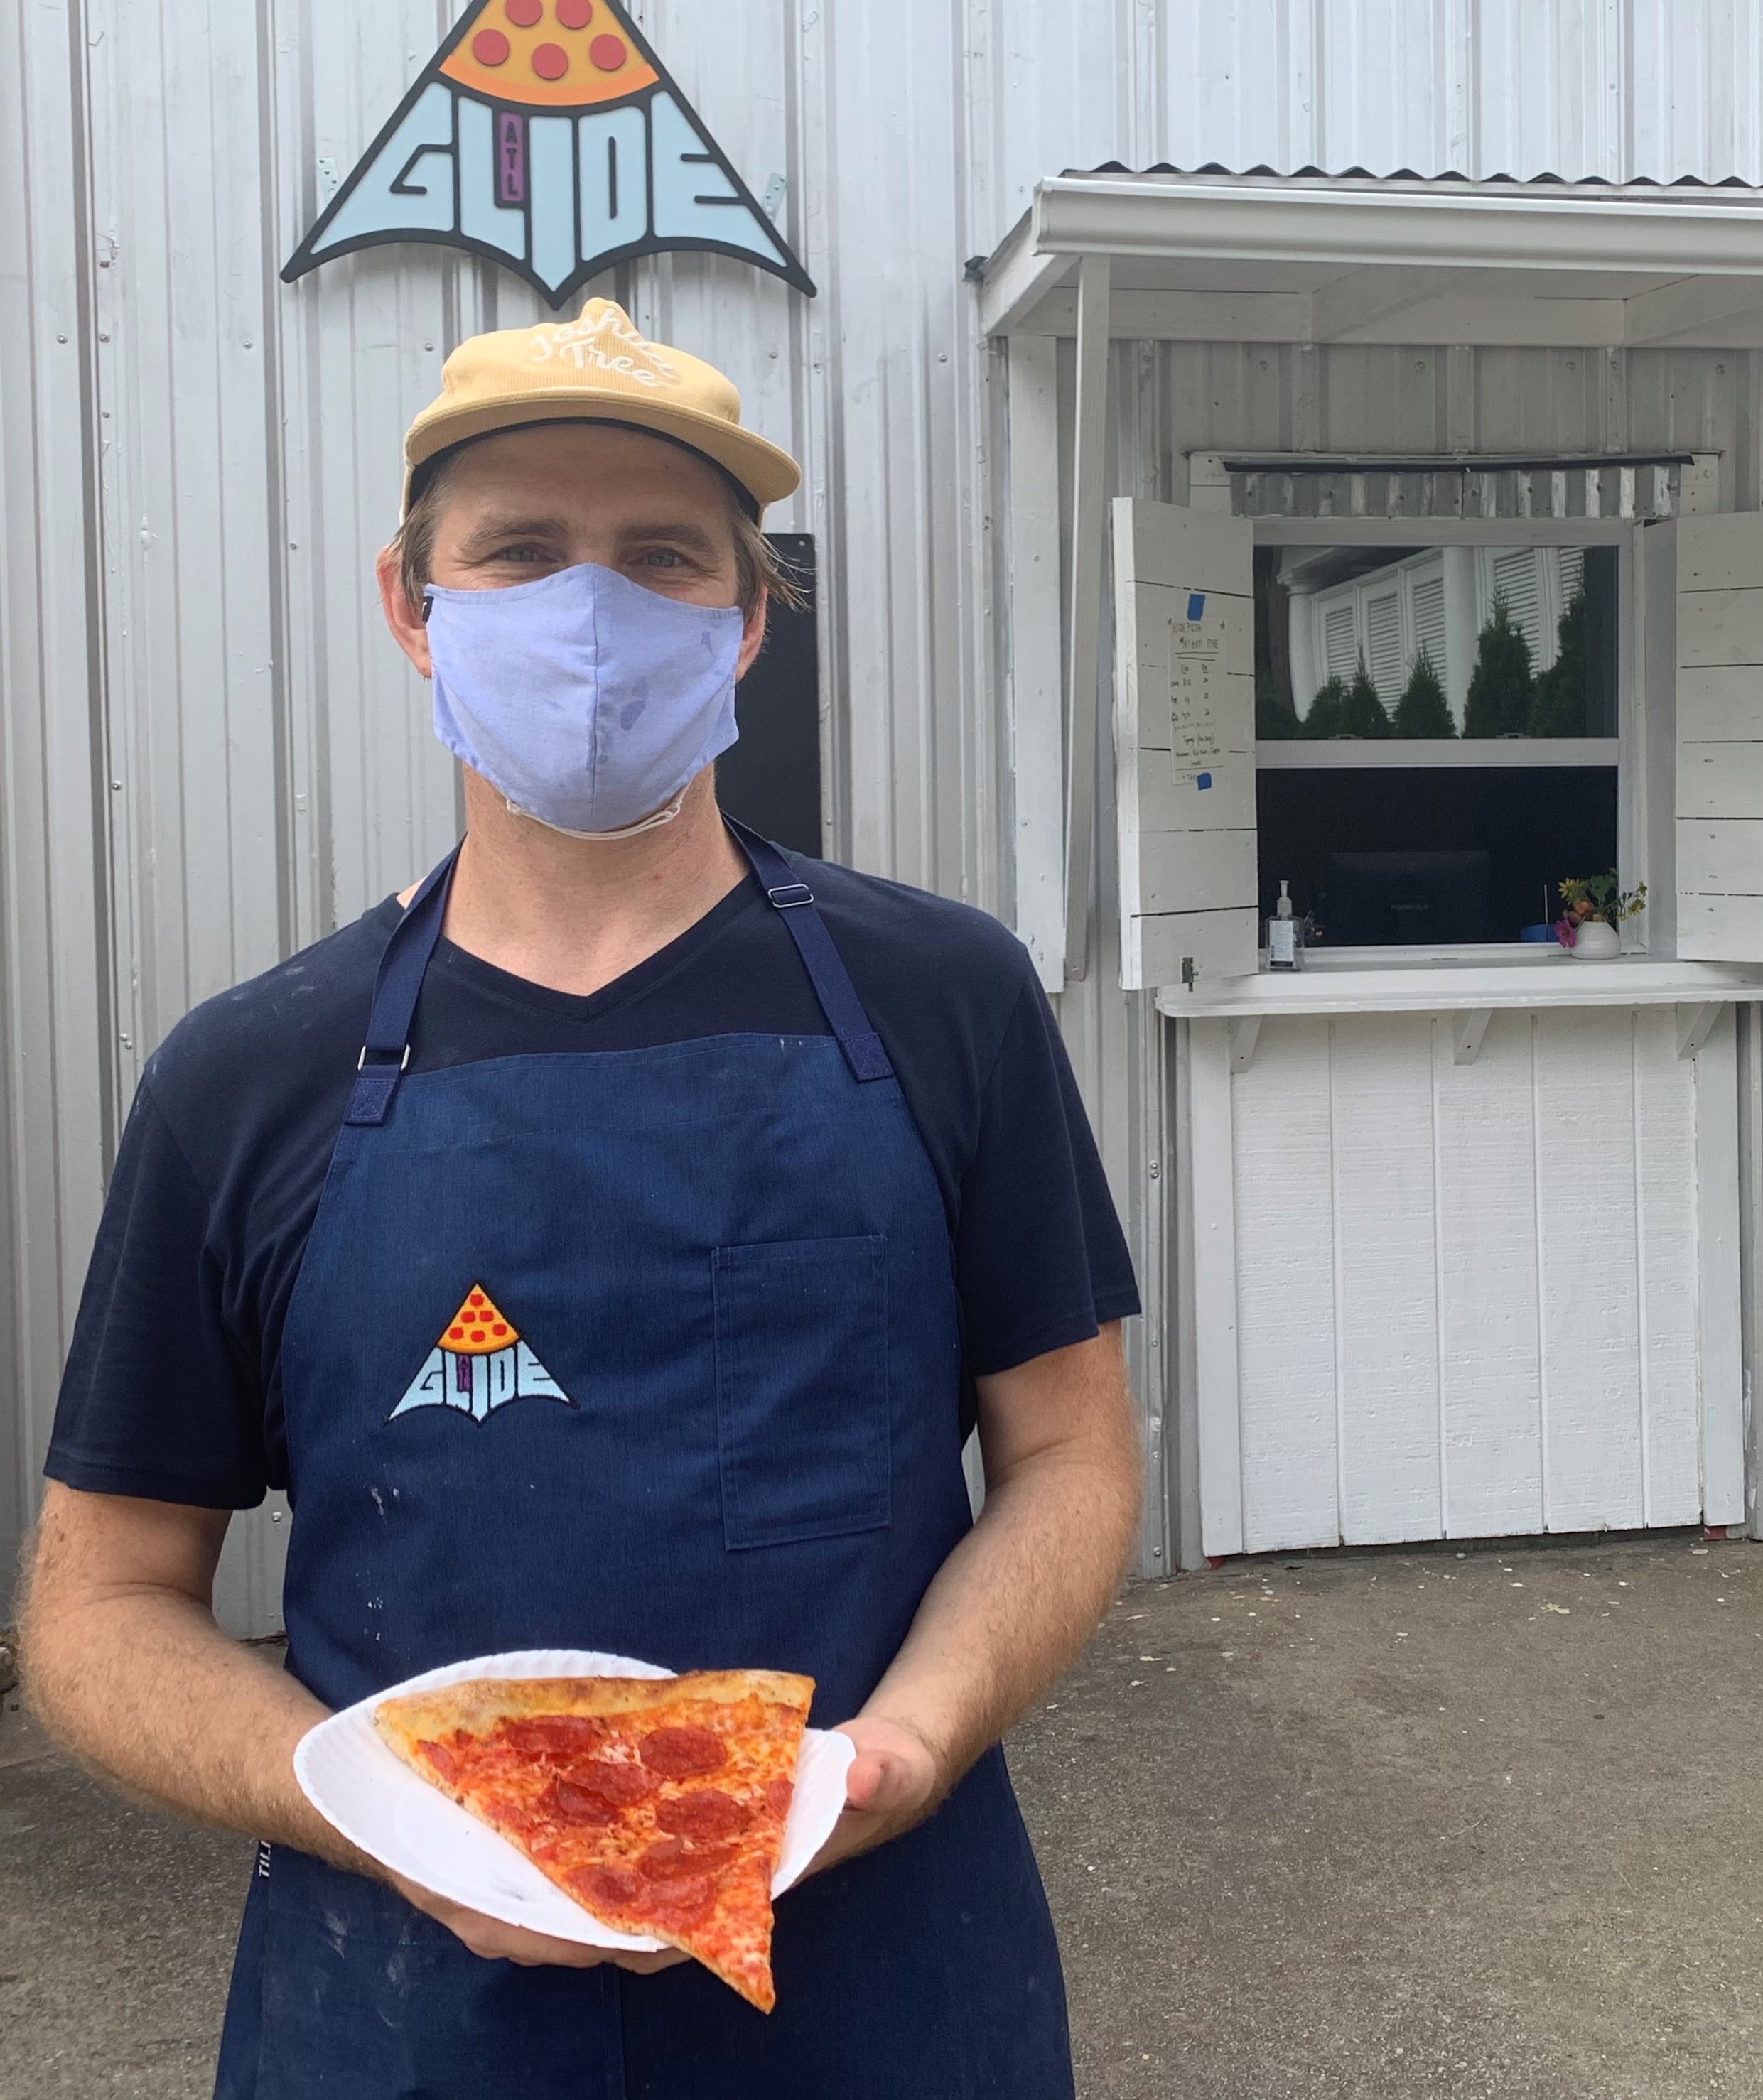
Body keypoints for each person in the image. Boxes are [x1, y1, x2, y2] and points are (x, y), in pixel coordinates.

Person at [16, 298, 1141, 2097]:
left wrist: (908, 1748)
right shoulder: (250, 1075)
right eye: (523, 552)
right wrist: (384, 1820)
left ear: (749, 622)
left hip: (886, 1987)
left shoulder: (945, 1000)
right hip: (400, 2016)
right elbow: (97, 1609)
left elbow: (1074, 1458)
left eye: (661, 559)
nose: (591, 615)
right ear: (415, 605)